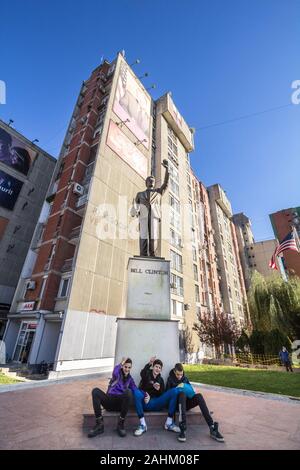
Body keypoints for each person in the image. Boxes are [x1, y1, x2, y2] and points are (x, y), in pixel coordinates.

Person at [166, 363, 224, 443]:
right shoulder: (170, 379)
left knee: (199, 396)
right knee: (182, 394)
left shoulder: (185, 378)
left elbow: (191, 391)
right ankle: (183, 427)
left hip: (186, 403)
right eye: (177, 374)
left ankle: (212, 427)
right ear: (174, 371)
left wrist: (190, 390)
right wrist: (177, 388)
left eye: (181, 374)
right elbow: (167, 395)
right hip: (177, 405)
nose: (179, 376)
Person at [88, 357, 137, 438]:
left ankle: (120, 424)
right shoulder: (117, 374)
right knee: (95, 391)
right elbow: (115, 371)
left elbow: (135, 389)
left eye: (129, 367)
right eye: (125, 367)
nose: (127, 369)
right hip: (109, 401)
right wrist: (121, 363)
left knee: (129, 392)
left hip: (120, 405)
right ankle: (99, 425)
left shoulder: (130, 379)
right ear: (122, 366)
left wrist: (146, 395)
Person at [133, 356, 181, 436]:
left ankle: (169, 423)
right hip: (146, 403)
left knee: (175, 391)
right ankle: (143, 425)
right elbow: (142, 373)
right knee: (136, 392)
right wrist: (149, 363)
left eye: (159, 367)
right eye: (156, 366)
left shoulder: (161, 380)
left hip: (157, 403)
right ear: (153, 366)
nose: (157, 369)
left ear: (161, 369)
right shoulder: (147, 374)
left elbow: (162, 396)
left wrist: (158, 389)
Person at [131, 160, 169, 257]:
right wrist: (134, 211)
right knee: (143, 235)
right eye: (149, 180)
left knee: (153, 236)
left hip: (154, 216)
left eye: (153, 180)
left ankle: (152, 254)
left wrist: (167, 170)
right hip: (143, 216)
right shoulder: (139, 194)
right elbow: (135, 207)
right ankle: (143, 254)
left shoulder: (158, 192)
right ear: (146, 182)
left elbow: (165, 184)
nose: (151, 181)